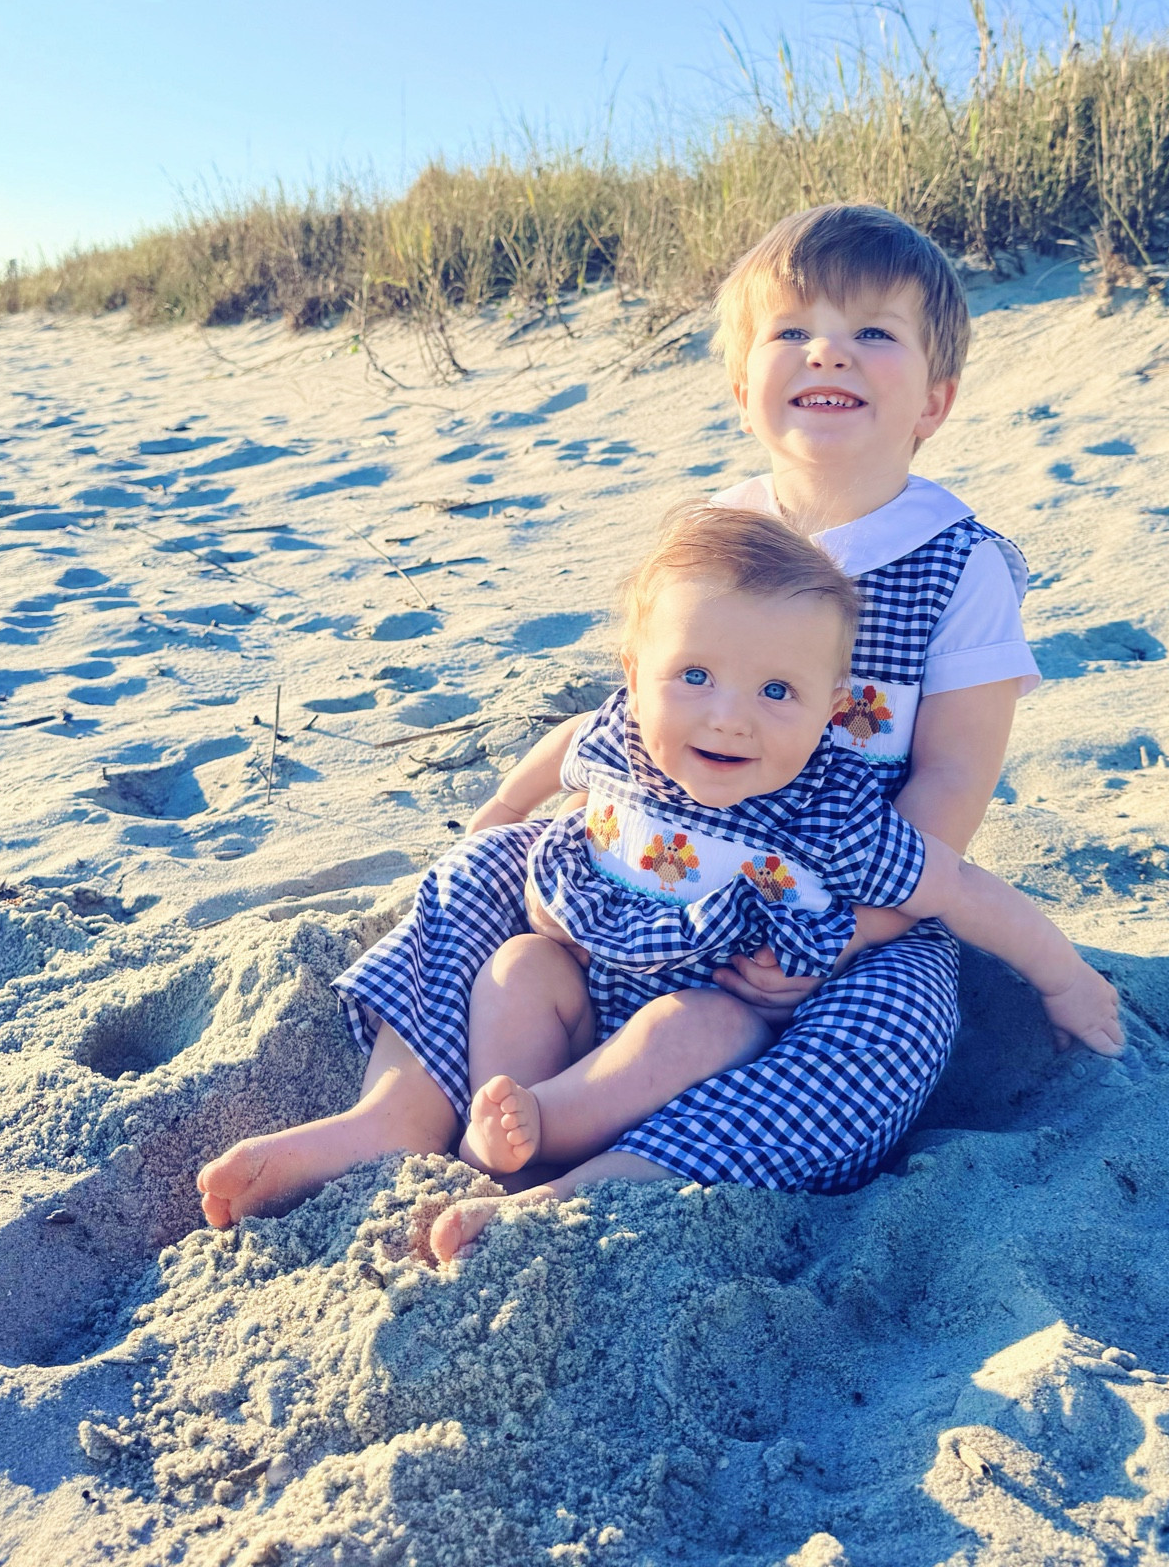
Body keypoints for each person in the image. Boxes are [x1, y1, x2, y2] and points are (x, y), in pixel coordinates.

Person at [195, 204, 1058, 1233]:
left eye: (873, 331)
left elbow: (951, 787)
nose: (828, 348)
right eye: (791, 330)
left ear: (936, 396)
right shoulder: (715, 530)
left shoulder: (957, 566)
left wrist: (840, 934)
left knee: (899, 1018)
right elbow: (618, 714)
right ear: (744, 384)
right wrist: (503, 814)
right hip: (631, 871)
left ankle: (602, 1185)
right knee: (476, 870)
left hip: (818, 914)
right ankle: (396, 1113)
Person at [428, 505, 1119, 1259]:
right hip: (585, 992)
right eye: (695, 677)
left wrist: (1064, 980)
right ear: (633, 675)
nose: (729, 719)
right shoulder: (621, 736)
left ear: (830, 710)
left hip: (709, 1027)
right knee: (518, 967)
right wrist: (503, 808)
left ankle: (569, 1176)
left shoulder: (828, 813)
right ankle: (501, 1130)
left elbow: (957, 888)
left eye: (776, 693)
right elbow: (565, 741)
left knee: (696, 1025)